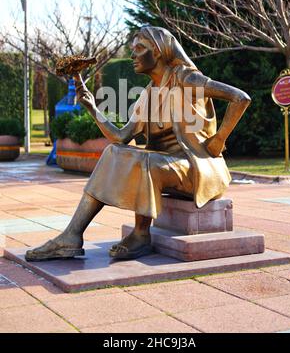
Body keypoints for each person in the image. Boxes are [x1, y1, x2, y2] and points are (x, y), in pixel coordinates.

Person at [25, 26, 251, 261]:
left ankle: (141, 234)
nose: (133, 55)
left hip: (197, 167)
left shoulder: (186, 79)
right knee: (115, 151)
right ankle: (72, 235)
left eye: (139, 49)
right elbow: (121, 137)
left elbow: (240, 98)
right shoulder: (148, 94)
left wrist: (218, 140)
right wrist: (92, 108)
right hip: (167, 166)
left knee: (145, 160)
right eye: (132, 50)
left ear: (159, 51)